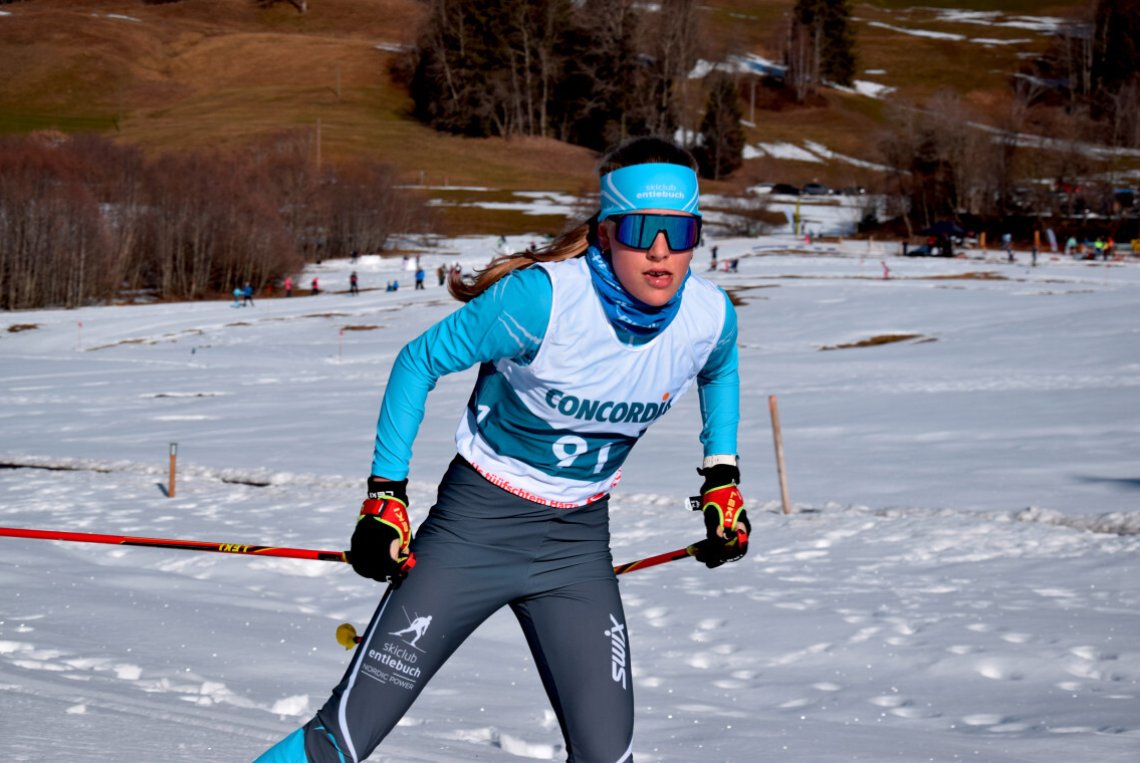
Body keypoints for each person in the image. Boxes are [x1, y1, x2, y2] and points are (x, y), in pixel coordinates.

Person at [253, 136, 748, 763]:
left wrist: (721, 478)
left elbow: (720, 370)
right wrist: (385, 499)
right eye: (641, 229)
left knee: (608, 756)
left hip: (576, 551)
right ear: (605, 233)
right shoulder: (541, 300)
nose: (660, 251)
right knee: (343, 738)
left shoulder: (709, 315)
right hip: (473, 533)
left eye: (679, 233)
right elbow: (418, 362)